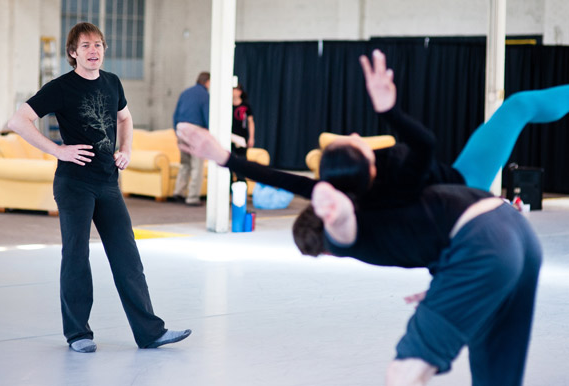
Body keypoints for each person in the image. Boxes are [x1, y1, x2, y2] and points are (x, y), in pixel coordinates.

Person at [178, 49, 569, 255]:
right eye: (353, 141)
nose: (352, 132)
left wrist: (224, 156)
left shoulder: (342, 187)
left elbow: (287, 180)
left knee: (518, 106)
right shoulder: (401, 179)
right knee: (518, 106)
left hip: (442, 204)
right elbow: (425, 144)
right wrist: (388, 110)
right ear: (366, 162)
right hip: (466, 182)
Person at [7, 22, 191, 353]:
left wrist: (127, 150)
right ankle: (78, 334)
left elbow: (125, 118)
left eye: (99, 44)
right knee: (76, 256)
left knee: (127, 257)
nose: (94, 50)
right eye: (86, 46)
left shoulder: (113, 82)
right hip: (74, 183)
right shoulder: (61, 87)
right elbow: (17, 120)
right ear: (73, 53)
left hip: (108, 182)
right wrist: (58, 150)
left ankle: (150, 332)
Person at [311, 180, 541, 386]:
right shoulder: (390, 204)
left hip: (483, 246)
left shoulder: (341, 238)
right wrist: (448, 281)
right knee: (495, 374)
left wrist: (329, 201)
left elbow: (340, 219)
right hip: (517, 230)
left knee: (404, 374)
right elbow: (437, 232)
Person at [172, 72, 210, 206]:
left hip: (181, 128)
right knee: (197, 165)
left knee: (185, 164)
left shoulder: (185, 93)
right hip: (195, 130)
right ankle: (192, 197)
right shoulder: (205, 95)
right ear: (207, 82)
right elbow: (207, 116)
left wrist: (176, 130)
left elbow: (175, 113)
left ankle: (179, 192)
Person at [231, 84, 256, 182]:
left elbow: (250, 122)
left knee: (241, 162)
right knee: (229, 162)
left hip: (241, 138)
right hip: (230, 137)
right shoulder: (227, 105)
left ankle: (241, 184)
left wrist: (251, 137)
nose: (233, 92)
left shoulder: (245, 106)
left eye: (235, 90)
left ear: (240, 92)